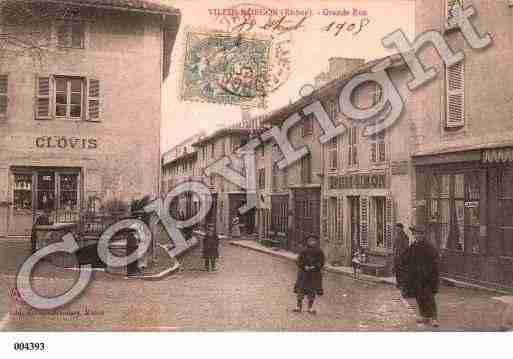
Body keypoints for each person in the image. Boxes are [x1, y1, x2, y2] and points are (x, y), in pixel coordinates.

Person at [404, 225, 440, 327]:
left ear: (423, 235)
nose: (417, 236)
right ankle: (424, 315)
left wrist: (432, 274)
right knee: (419, 296)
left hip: (428, 276)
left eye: (419, 234)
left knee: (429, 297)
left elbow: (435, 260)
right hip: (417, 276)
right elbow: (407, 258)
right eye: (415, 234)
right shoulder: (414, 246)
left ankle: (434, 318)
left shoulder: (429, 246)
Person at [293, 236, 325, 314]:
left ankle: (310, 307)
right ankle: (298, 306)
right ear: (307, 242)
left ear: (316, 242)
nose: (312, 242)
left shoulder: (319, 252)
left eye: (314, 241)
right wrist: (304, 266)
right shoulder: (303, 251)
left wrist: (315, 267)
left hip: (314, 274)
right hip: (303, 274)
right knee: (301, 290)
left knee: (312, 290)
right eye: (310, 241)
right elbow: (298, 261)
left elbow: (321, 262)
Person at [393, 223, 410, 294]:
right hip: (396, 256)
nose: (397, 230)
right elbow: (394, 246)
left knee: (401, 270)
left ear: (401, 228)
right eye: (396, 229)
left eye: (398, 228)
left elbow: (406, 247)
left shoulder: (405, 236)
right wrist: (394, 252)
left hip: (402, 256)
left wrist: (401, 254)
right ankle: (398, 283)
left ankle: (402, 284)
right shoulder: (396, 236)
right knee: (397, 270)